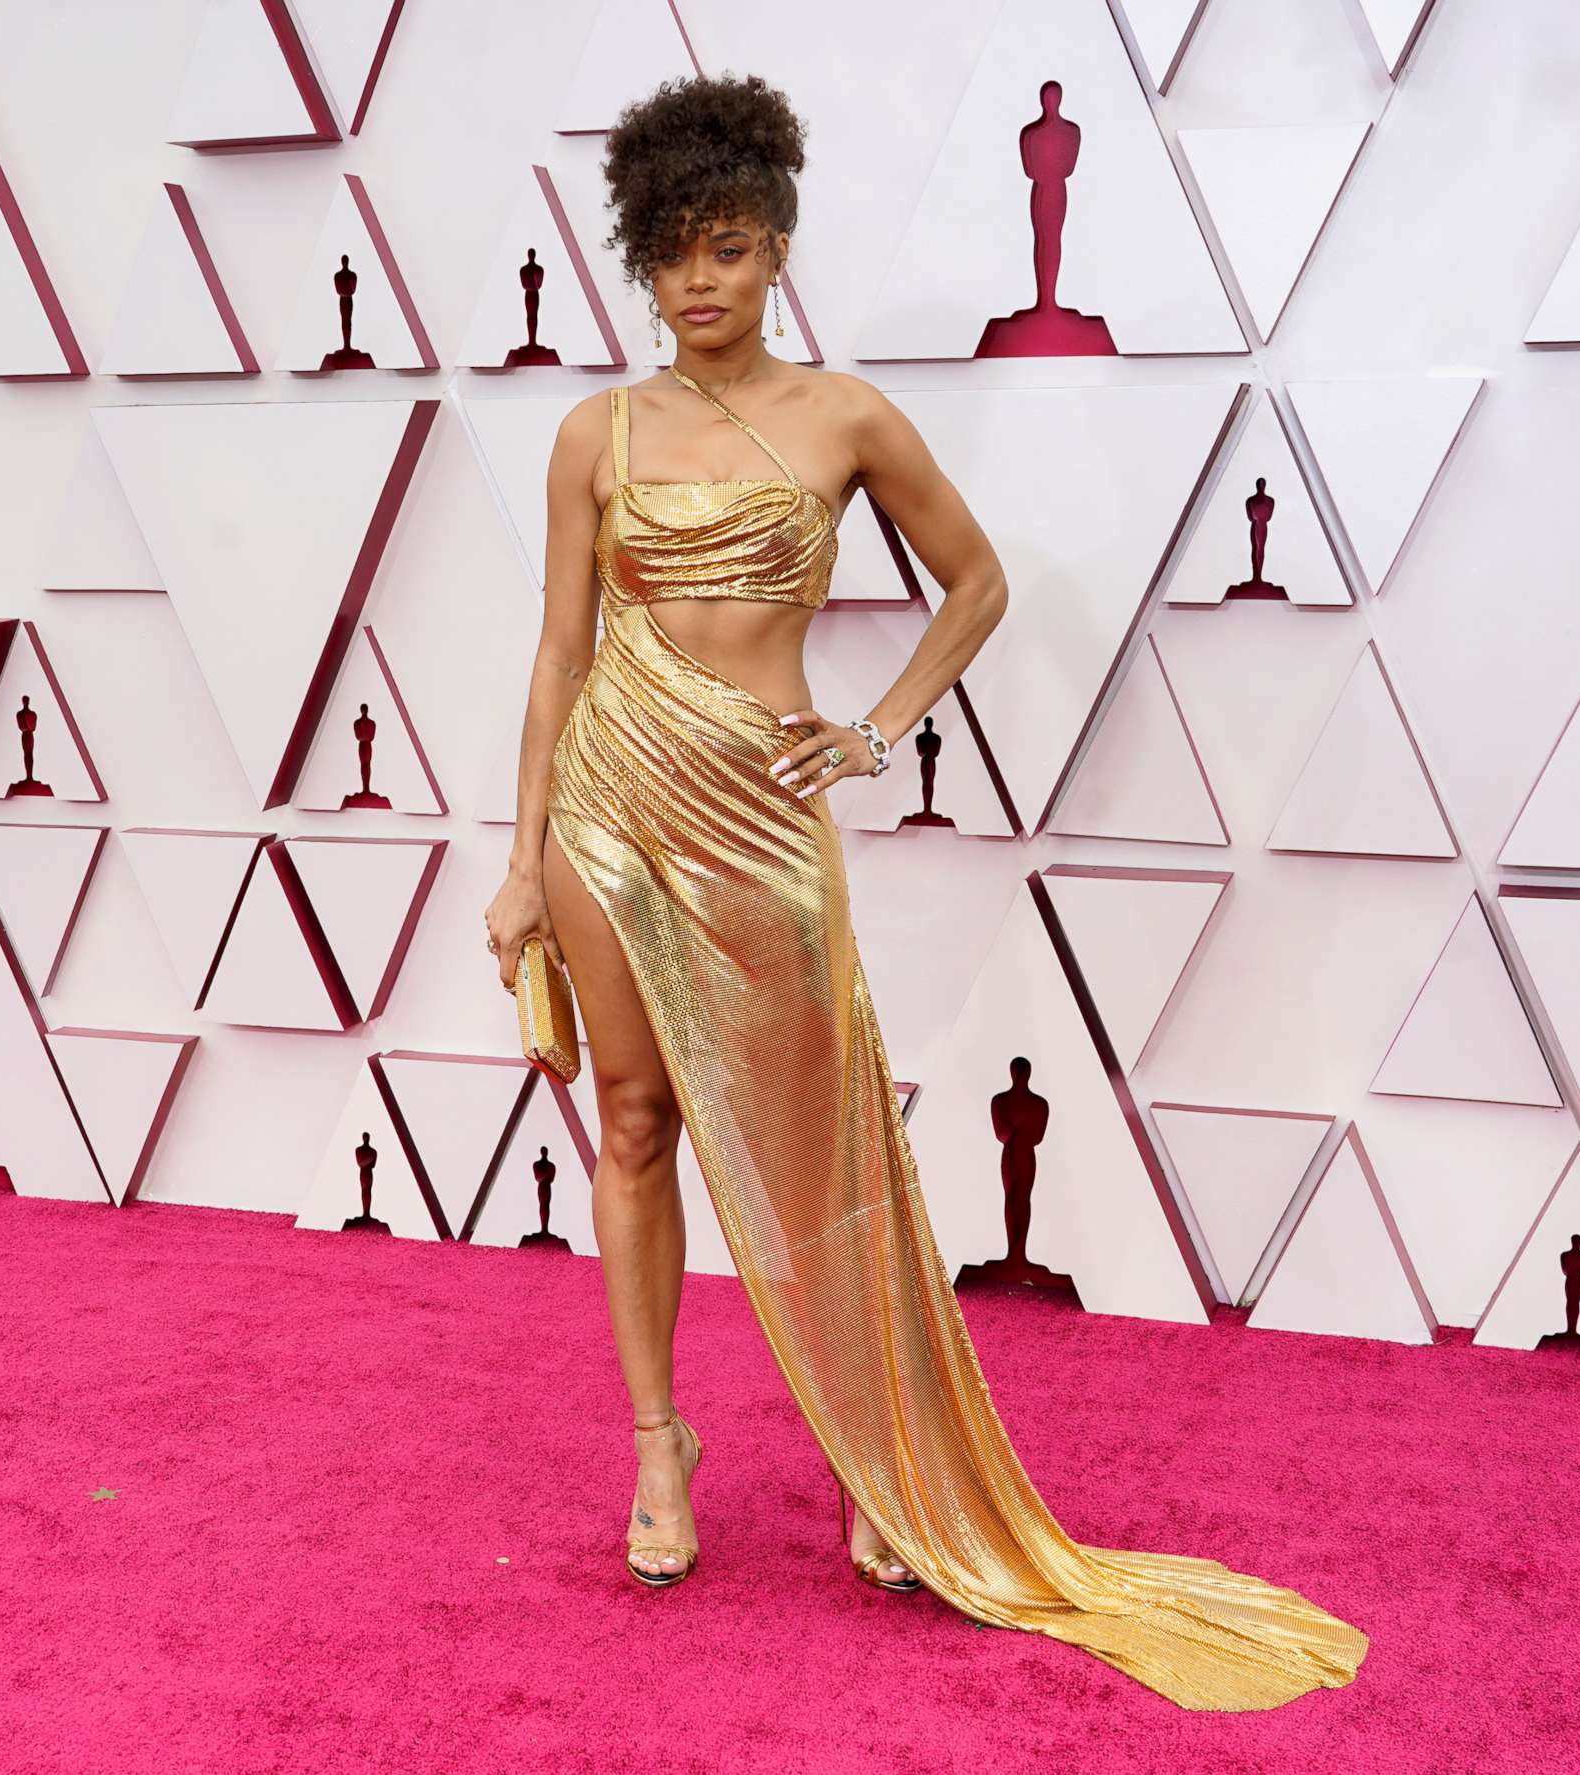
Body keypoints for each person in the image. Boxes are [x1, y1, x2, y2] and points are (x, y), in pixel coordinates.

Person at [481, 72, 1368, 1713]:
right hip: (611, 804)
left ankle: (873, 1449)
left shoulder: (846, 417)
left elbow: (979, 582)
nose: (701, 280)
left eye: (731, 246)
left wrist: (880, 728)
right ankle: (660, 1450)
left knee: (823, 1137)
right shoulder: (590, 434)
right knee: (628, 1117)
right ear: (642, 259)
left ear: (779, 248)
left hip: (762, 817)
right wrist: (526, 851)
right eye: (673, 251)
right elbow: (555, 652)